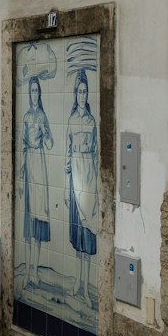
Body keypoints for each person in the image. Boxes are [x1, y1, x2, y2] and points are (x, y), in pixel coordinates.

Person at [66, 69, 99, 303]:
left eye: (85, 91)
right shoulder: (70, 120)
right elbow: (66, 154)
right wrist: (64, 187)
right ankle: (78, 283)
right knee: (77, 234)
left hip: (87, 175)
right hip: (74, 178)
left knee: (87, 235)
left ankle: (86, 289)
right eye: (79, 90)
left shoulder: (91, 121)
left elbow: (96, 154)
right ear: (75, 93)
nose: (82, 95)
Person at [21, 76, 54, 290]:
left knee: (40, 219)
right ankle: (29, 270)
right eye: (31, 90)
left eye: (36, 90)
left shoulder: (42, 116)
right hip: (30, 164)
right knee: (30, 220)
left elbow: (51, 144)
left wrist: (45, 131)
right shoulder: (25, 117)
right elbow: (22, 144)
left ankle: (34, 270)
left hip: (40, 167)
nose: (34, 94)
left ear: (39, 93)